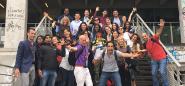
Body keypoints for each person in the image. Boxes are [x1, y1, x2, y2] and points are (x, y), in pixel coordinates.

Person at [142, 19, 169, 86]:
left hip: (162, 58)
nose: (144, 37)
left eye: (145, 36)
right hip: (154, 60)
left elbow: (158, 33)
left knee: (162, 72)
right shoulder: (146, 45)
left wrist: (161, 27)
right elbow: (149, 51)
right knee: (153, 73)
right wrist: (146, 53)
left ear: (147, 36)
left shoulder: (153, 39)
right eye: (143, 37)